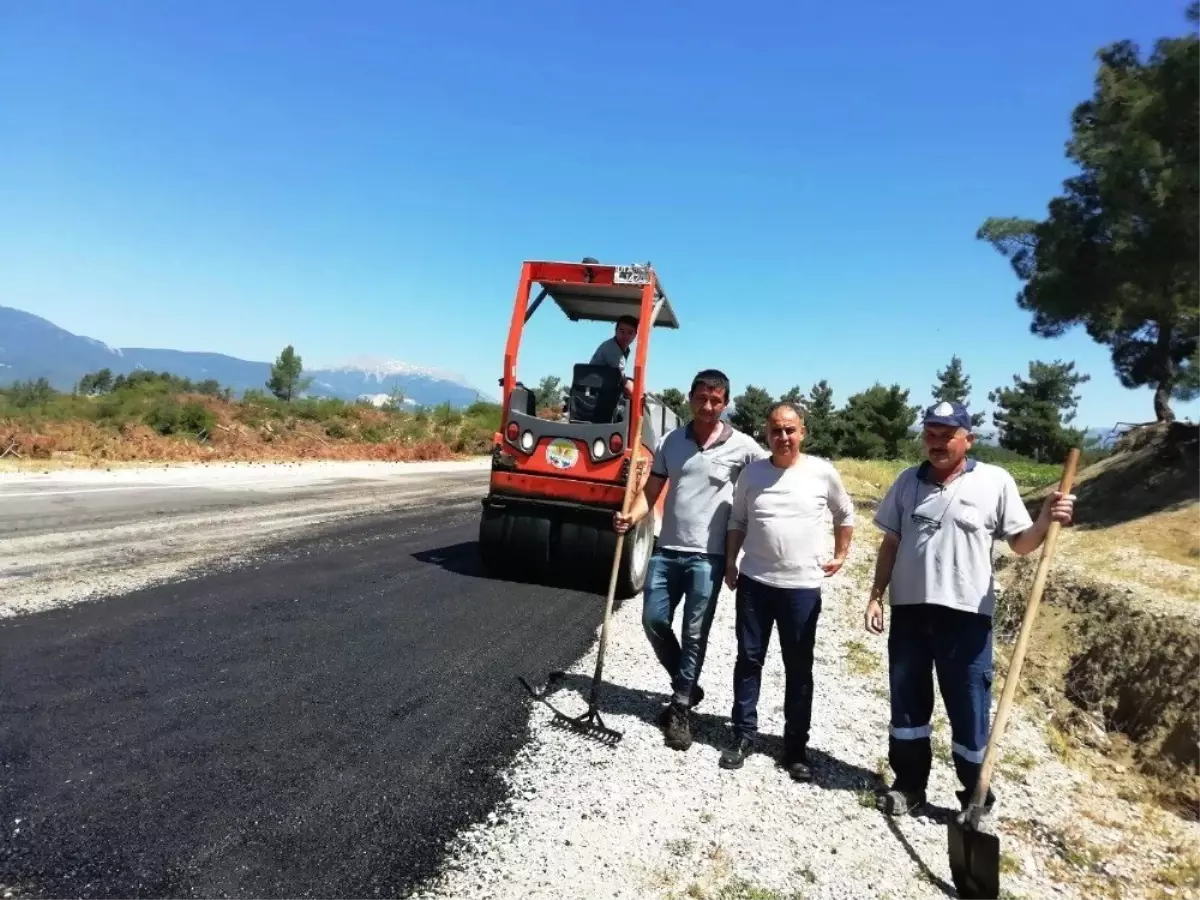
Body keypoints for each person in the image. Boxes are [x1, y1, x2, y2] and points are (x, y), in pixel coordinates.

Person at [864, 400, 1076, 818]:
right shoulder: (907, 482)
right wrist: (875, 593)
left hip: (966, 616)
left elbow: (1021, 542)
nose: (938, 443)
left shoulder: (995, 481)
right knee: (907, 703)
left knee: (969, 707)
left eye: (947, 435)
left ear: (968, 439)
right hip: (910, 611)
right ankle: (909, 785)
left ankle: (974, 797)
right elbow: (890, 542)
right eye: (931, 434)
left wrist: (1047, 517)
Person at [614, 369, 767, 751]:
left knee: (695, 633)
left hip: (708, 558)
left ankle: (680, 707)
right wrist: (630, 516)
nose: (708, 406)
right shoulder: (671, 441)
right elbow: (651, 491)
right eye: (702, 398)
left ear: (725, 403)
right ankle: (687, 683)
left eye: (716, 400)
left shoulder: (744, 447)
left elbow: (768, 479)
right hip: (666, 551)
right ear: (690, 398)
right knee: (653, 621)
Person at [719, 401, 855, 780]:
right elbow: (737, 519)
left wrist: (841, 554)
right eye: (776, 430)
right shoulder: (751, 474)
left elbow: (845, 513)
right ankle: (743, 734)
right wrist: (731, 561)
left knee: (799, 669)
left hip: (801, 589)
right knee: (748, 661)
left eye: (790, 430)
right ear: (767, 433)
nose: (783, 437)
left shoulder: (822, 473)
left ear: (802, 432)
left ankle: (795, 749)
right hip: (755, 584)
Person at [590, 315, 638, 396]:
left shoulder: (624, 349)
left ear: (635, 335)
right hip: (595, 391)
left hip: (604, 388)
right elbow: (622, 379)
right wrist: (635, 394)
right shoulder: (612, 349)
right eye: (621, 331)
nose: (625, 336)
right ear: (616, 331)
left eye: (630, 333)